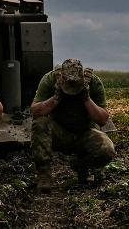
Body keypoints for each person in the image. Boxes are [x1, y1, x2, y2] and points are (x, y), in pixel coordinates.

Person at [29, 58, 115, 192]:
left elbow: (102, 119)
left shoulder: (94, 83)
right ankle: (44, 176)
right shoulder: (50, 80)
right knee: (40, 123)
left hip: (84, 132)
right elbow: (35, 112)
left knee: (107, 150)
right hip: (59, 132)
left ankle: (82, 166)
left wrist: (87, 98)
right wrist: (56, 98)